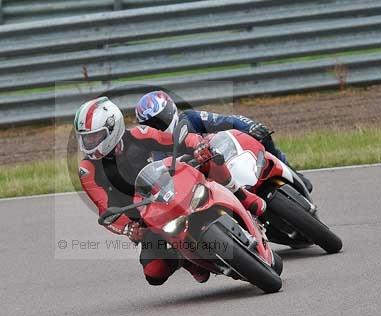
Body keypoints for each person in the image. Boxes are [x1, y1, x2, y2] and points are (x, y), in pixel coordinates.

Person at [75, 96, 266, 286]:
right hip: (146, 216)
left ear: (112, 127)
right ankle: (186, 261)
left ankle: (244, 196)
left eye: (94, 136)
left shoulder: (139, 134)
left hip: (175, 183)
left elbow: (177, 139)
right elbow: (105, 209)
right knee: (154, 273)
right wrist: (128, 228)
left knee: (210, 158)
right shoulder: (87, 170)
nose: (89, 143)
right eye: (85, 138)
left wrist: (197, 145)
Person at [134, 90, 313, 192]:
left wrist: (250, 127)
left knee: (262, 136)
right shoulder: (154, 151)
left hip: (227, 159)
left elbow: (227, 121)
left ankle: (290, 169)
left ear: (171, 110)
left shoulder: (189, 119)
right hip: (205, 188)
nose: (158, 126)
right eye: (151, 124)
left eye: (160, 119)